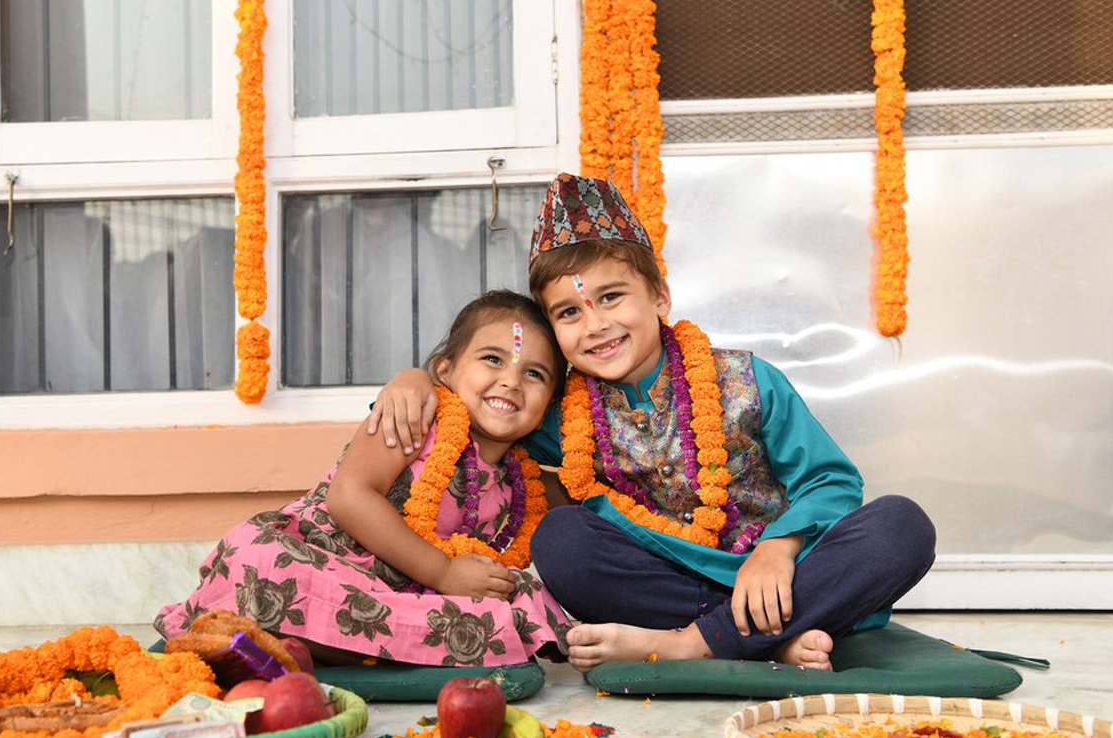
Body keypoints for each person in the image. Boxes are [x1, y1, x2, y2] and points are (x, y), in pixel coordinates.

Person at [367, 173, 935, 672]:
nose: (595, 325)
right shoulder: (564, 412)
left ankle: (692, 646)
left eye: (612, 297)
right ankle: (763, 643)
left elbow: (832, 483)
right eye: (569, 313)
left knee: (901, 527)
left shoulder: (747, 380)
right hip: (666, 587)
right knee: (562, 540)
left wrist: (777, 549)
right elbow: (479, 401)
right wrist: (416, 381)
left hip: (780, 578)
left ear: (660, 296)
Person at [155, 290, 573, 667]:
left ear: (549, 406)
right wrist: (444, 573)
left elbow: (585, 508)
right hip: (327, 560)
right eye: (493, 359)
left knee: (519, 596)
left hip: (409, 594)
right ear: (444, 371)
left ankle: (332, 642)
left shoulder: (527, 483)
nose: (510, 380)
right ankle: (371, 644)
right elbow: (349, 497)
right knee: (258, 559)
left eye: (534, 374)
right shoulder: (415, 417)